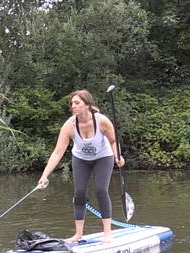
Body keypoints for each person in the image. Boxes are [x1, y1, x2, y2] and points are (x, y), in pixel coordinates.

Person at [38, 89, 125, 243]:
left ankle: (107, 234)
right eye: (72, 103)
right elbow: (57, 153)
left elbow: (113, 140)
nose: (73, 106)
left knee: (100, 190)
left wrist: (118, 155)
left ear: (87, 105)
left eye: (77, 103)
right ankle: (78, 234)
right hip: (80, 159)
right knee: (79, 193)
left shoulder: (102, 121)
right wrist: (44, 175)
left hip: (103, 157)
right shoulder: (68, 126)